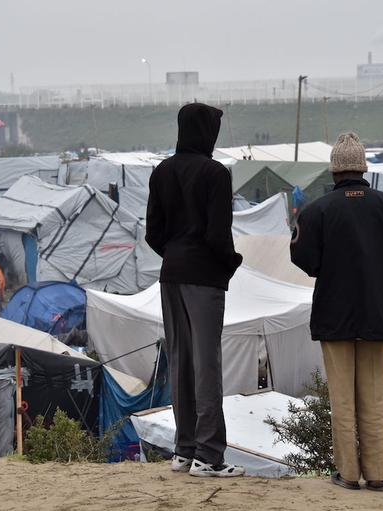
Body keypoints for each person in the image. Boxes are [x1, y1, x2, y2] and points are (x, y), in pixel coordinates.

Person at [289, 132, 383, 492]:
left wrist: (324, 270)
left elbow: (302, 257)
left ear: (334, 172)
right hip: (377, 314)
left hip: (334, 314)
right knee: (375, 399)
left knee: (342, 400)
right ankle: (378, 475)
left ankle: (347, 474)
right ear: (363, 169)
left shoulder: (316, 210)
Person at [146, 103, 245, 478]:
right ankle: (209, 457)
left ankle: (184, 451)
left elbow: (152, 233)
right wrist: (230, 263)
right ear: (206, 132)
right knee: (207, 365)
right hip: (204, 277)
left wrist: (174, 254)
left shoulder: (162, 171)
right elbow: (218, 234)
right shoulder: (215, 173)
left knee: (181, 362)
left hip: (170, 275)